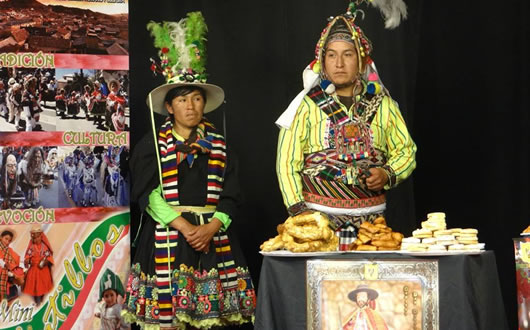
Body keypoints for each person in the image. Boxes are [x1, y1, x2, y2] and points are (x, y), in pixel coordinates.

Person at [122, 12, 255, 329]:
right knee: (170, 322)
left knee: (214, 321)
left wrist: (211, 227)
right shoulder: (151, 146)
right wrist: (184, 226)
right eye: (183, 100)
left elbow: (232, 195)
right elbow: (146, 194)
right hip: (169, 237)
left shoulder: (220, 147)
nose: (191, 106)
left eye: (197, 99)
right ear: (169, 107)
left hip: (213, 239)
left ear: (205, 104)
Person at [275, 1, 416, 250]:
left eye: (347, 54)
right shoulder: (306, 106)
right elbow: (287, 163)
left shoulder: (383, 104)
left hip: (372, 228)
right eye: (332, 55)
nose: (339, 63)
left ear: (361, 62)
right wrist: (300, 215)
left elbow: (406, 151)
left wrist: (387, 173)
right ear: (323, 62)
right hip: (318, 224)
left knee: (369, 286)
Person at [22, 225, 54, 305]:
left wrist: (45, 261)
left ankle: (42, 300)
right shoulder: (32, 247)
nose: (36, 239)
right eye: (34, 238)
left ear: (41, 236)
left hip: (43, 270)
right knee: (35, 286)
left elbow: (49, 256)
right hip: (34, 270)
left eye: (38, 237)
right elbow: (27, 256)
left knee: (43, 286)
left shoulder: (44, 247)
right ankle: (37, 301)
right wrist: (28, 260)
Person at [0, 229, 23, 303]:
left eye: (9, 240)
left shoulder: (10, 251)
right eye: (6, 239)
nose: (7, 242)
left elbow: (15, 261)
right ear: (1, 237)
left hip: (9, 279)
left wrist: (12, 270)